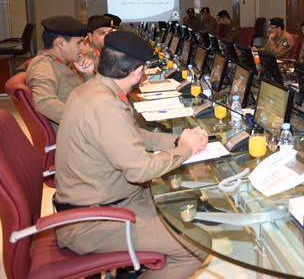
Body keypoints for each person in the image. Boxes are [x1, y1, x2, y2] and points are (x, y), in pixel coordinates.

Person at [54, 31, 209, 278]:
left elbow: (132, 134)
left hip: (106, 201)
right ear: (137, 72)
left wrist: (178, 141)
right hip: (93, 219)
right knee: (197, 245)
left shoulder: (94, 90)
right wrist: (186, 150)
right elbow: (140, 170)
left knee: (180, 199)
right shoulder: (105, 105)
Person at [26, 16, 94, 126]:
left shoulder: (61, 63)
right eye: (79, 42)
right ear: (60, 43)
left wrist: (88, 74)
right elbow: (44, 103)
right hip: (75, 130)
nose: (82, 47)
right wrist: (87, 121)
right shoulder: (43, 65)